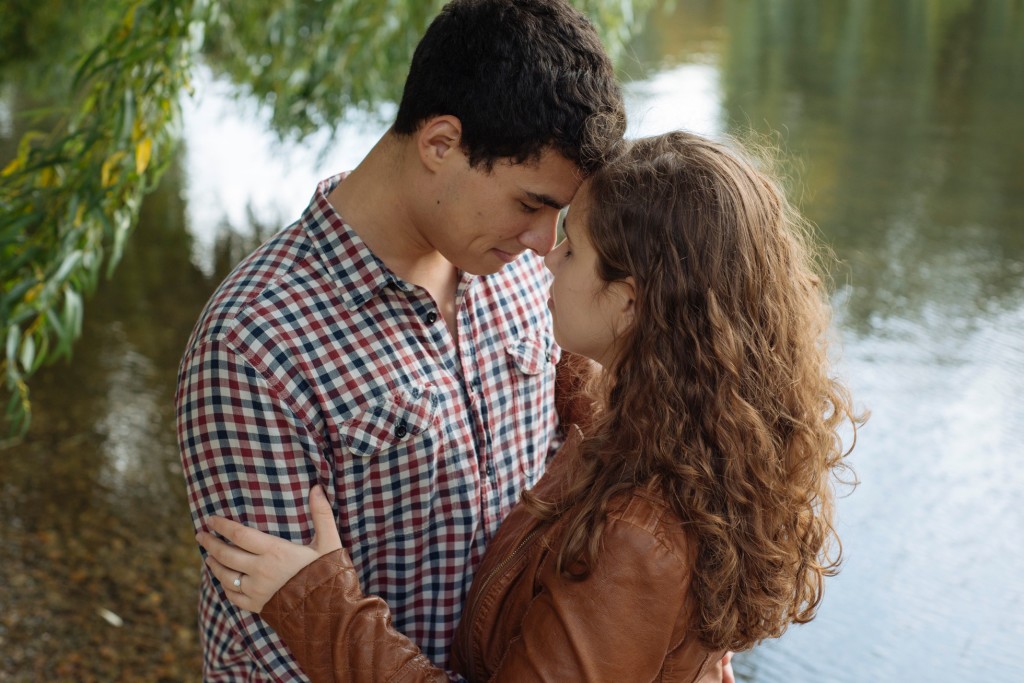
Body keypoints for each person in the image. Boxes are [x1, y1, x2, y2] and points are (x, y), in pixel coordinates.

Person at [197, 131, 863, 681]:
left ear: (628, 303)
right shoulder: (684, 433)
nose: (546, 256)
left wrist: (322, 606)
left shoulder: (635, 536)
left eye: (574, 246)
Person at [175, 0, 626, 679]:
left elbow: (585, 456)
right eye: (530, 204)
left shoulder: (524, 273)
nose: (544, 242)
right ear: (440, 143)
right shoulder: (255, 345)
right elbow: (278, 654)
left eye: (557, 215)